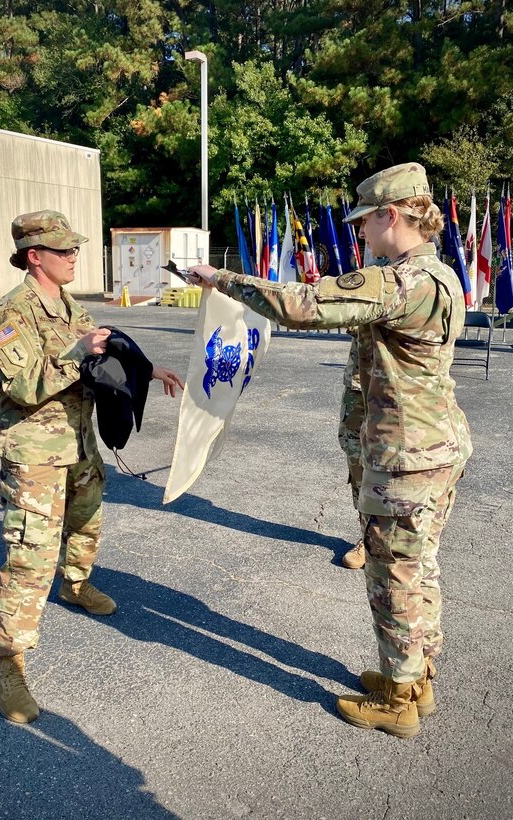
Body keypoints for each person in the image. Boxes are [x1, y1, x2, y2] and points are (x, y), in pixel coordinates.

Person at [188, 163, 472, 738]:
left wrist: (222, 279)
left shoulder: (402, 280)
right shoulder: (439, 274)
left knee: (393, 575)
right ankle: (416, 674)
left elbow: (304, 304)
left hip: (404, 458)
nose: (361, 233)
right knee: (420, 567)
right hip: (434, 446)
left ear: (392, 214)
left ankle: (400, 700)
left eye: (365, 221)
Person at [0, 210, 183, 724]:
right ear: (33, 256)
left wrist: (148, 369)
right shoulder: (10, 315)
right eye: (63, 250)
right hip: (35, 454)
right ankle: (7, 665)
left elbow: (105, 352)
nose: (73, 256)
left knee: (88, 521)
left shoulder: (70, 305)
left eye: (73, 249)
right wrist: (75, 352)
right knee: (29, 556)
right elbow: (23, 386)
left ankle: (76, 582)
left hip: (79, 444)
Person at [338, 329, 366, 569]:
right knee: (357, 460)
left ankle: (393, 543)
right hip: (359, 387)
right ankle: (368, 538)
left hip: (403, 390)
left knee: (397, 469)